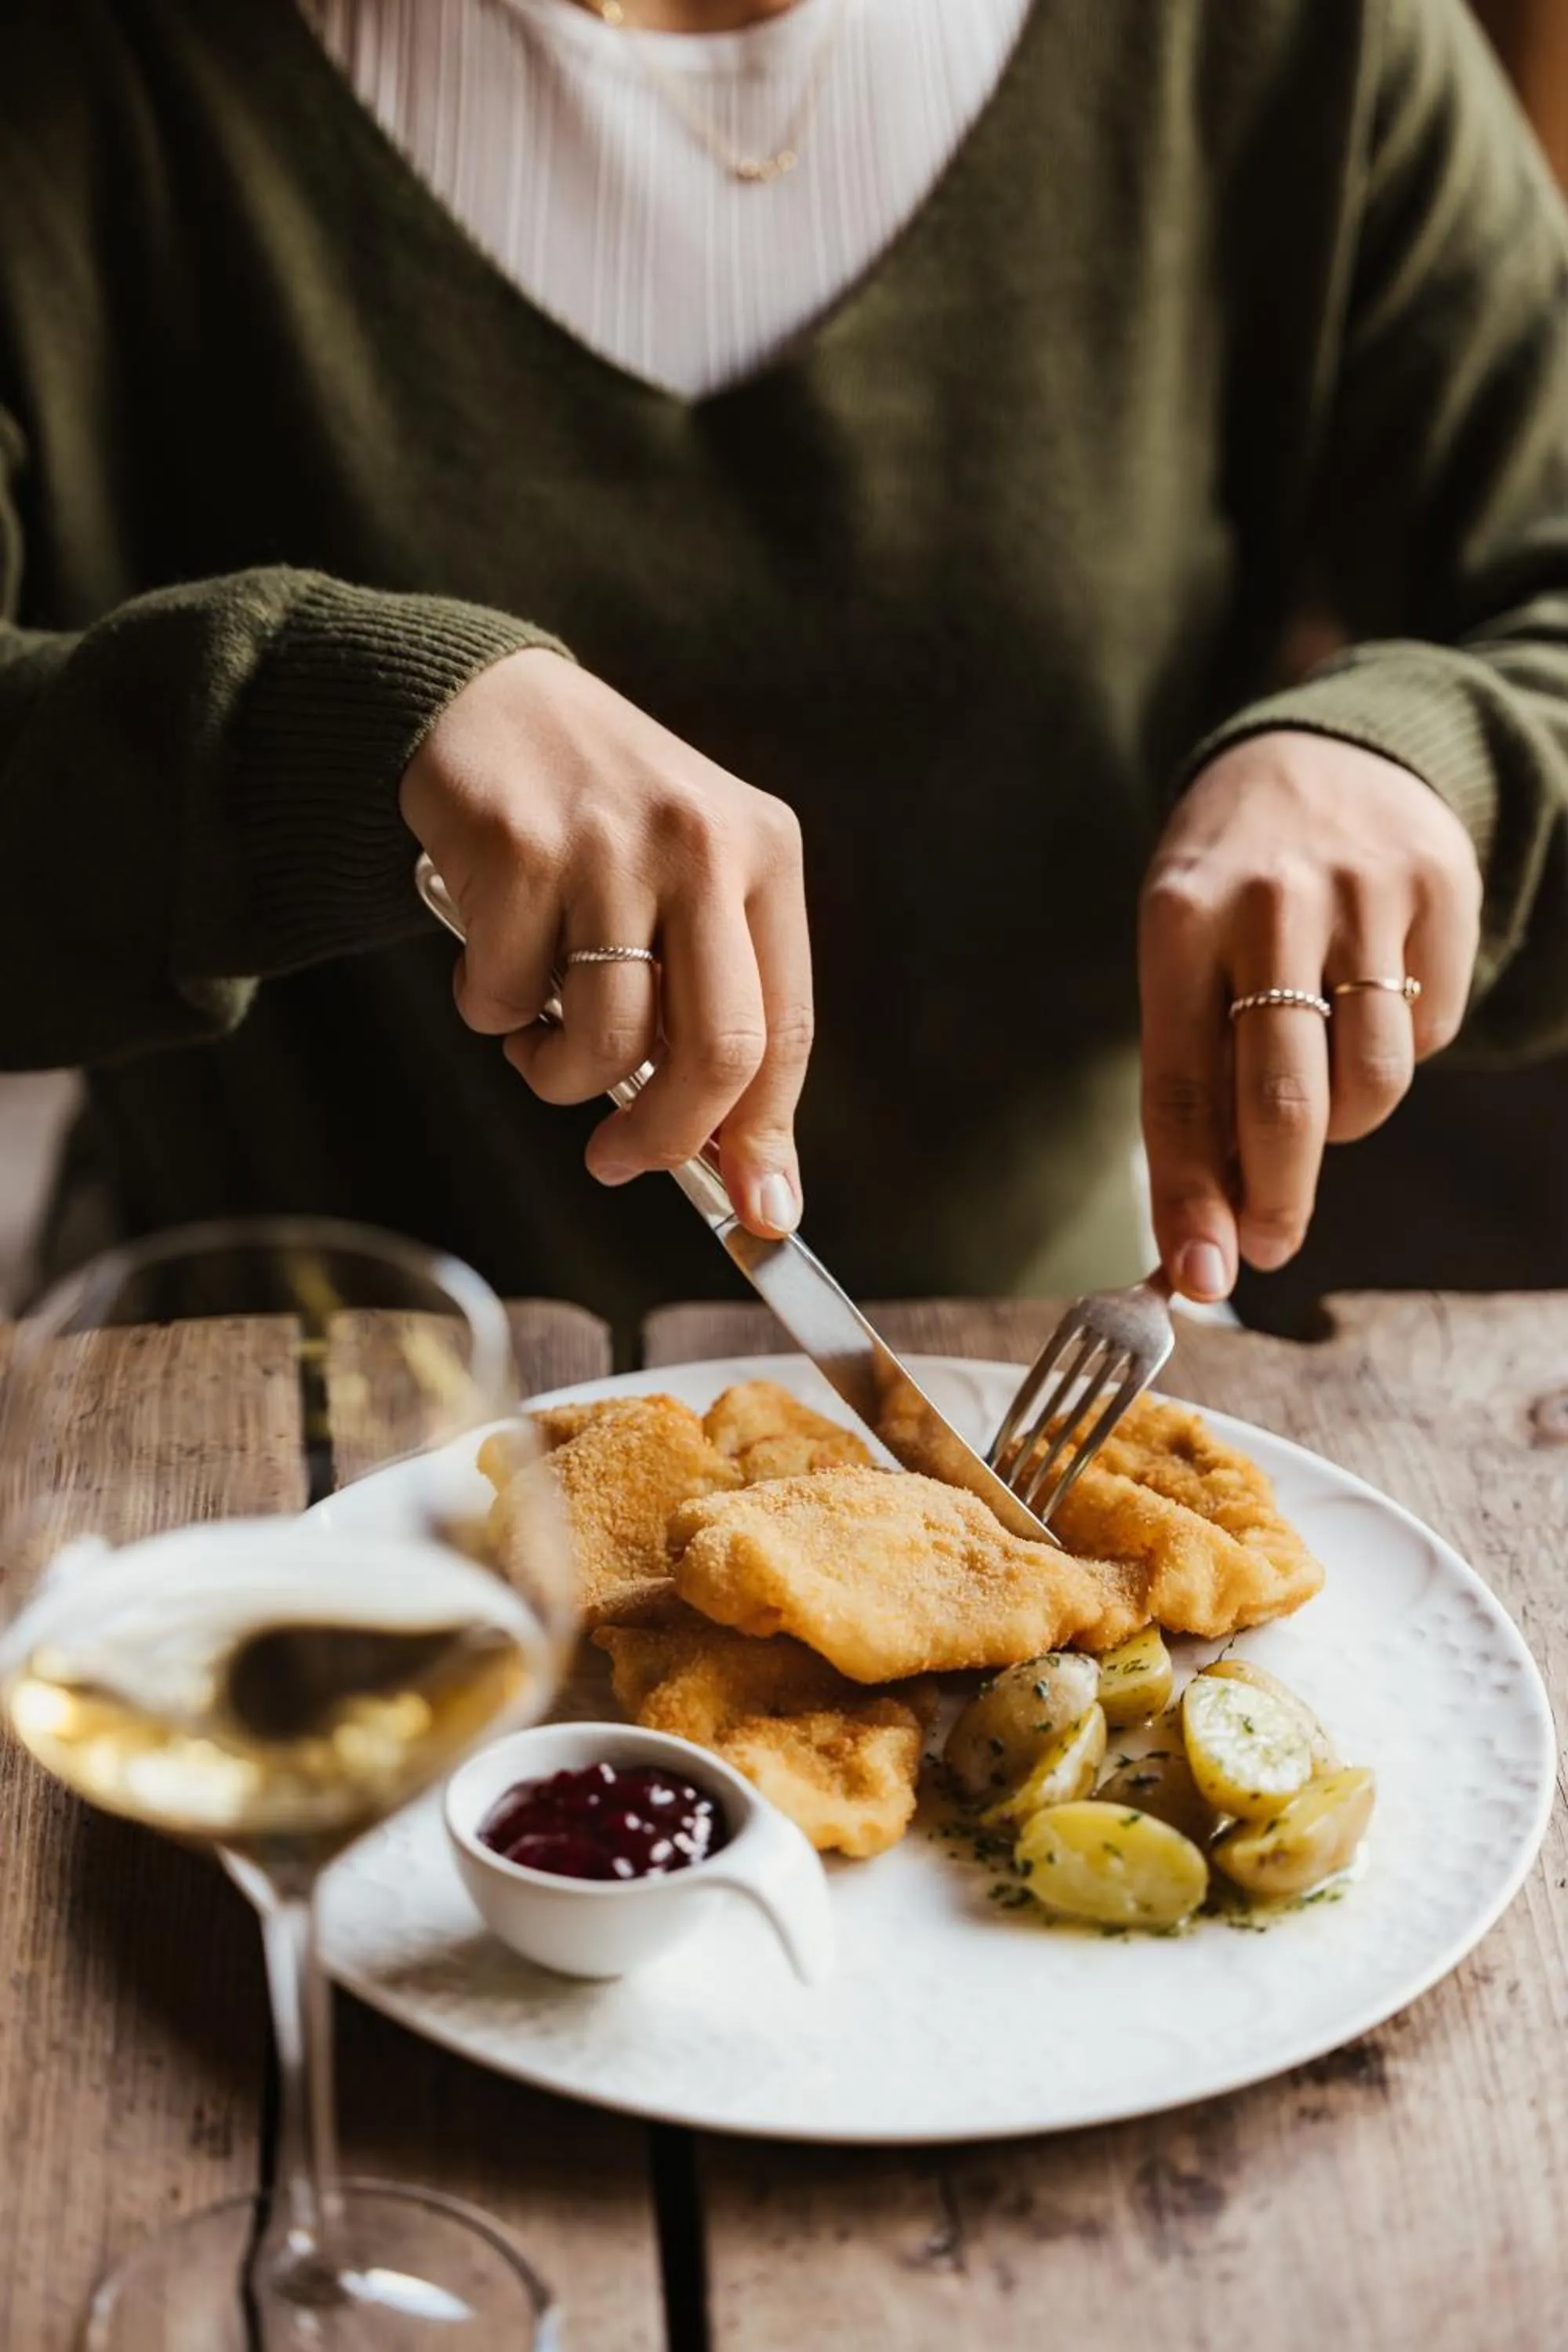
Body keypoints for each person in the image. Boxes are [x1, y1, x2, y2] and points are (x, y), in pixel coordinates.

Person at [2, 0, 1565, 1333]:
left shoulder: (1295, 35)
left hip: (1030, 1360)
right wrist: (324, 733)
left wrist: (1432, 759)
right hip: (275, 1436)